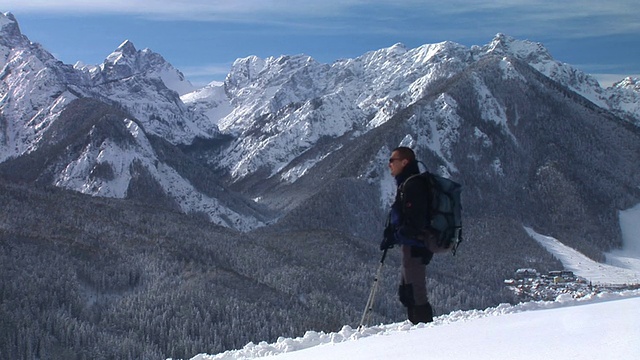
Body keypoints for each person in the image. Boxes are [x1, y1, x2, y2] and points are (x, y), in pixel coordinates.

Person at [379, 146, 434, 324]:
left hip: (416, 247)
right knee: (407, 293)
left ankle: (424, 332)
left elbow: (414, 224)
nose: (389, 165)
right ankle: (418, 329)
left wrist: (393, 237)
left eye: (392, 160)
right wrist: (392, 232)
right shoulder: (407, 183)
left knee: (415, 294)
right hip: (412, 246)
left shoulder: (413, 185)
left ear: (404, 162)